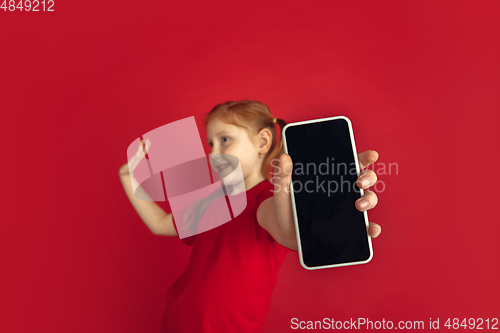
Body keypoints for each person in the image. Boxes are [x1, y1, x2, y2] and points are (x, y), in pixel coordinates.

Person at [118, 100, 382, 332]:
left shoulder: (264, 198)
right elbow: (161, 224)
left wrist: (301, 223)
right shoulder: (210, 199)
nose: (213, 153)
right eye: (210, 143)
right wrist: (128, 178)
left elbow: (283, 227)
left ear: (263, 141)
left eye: (224, 140)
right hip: (176, 322)